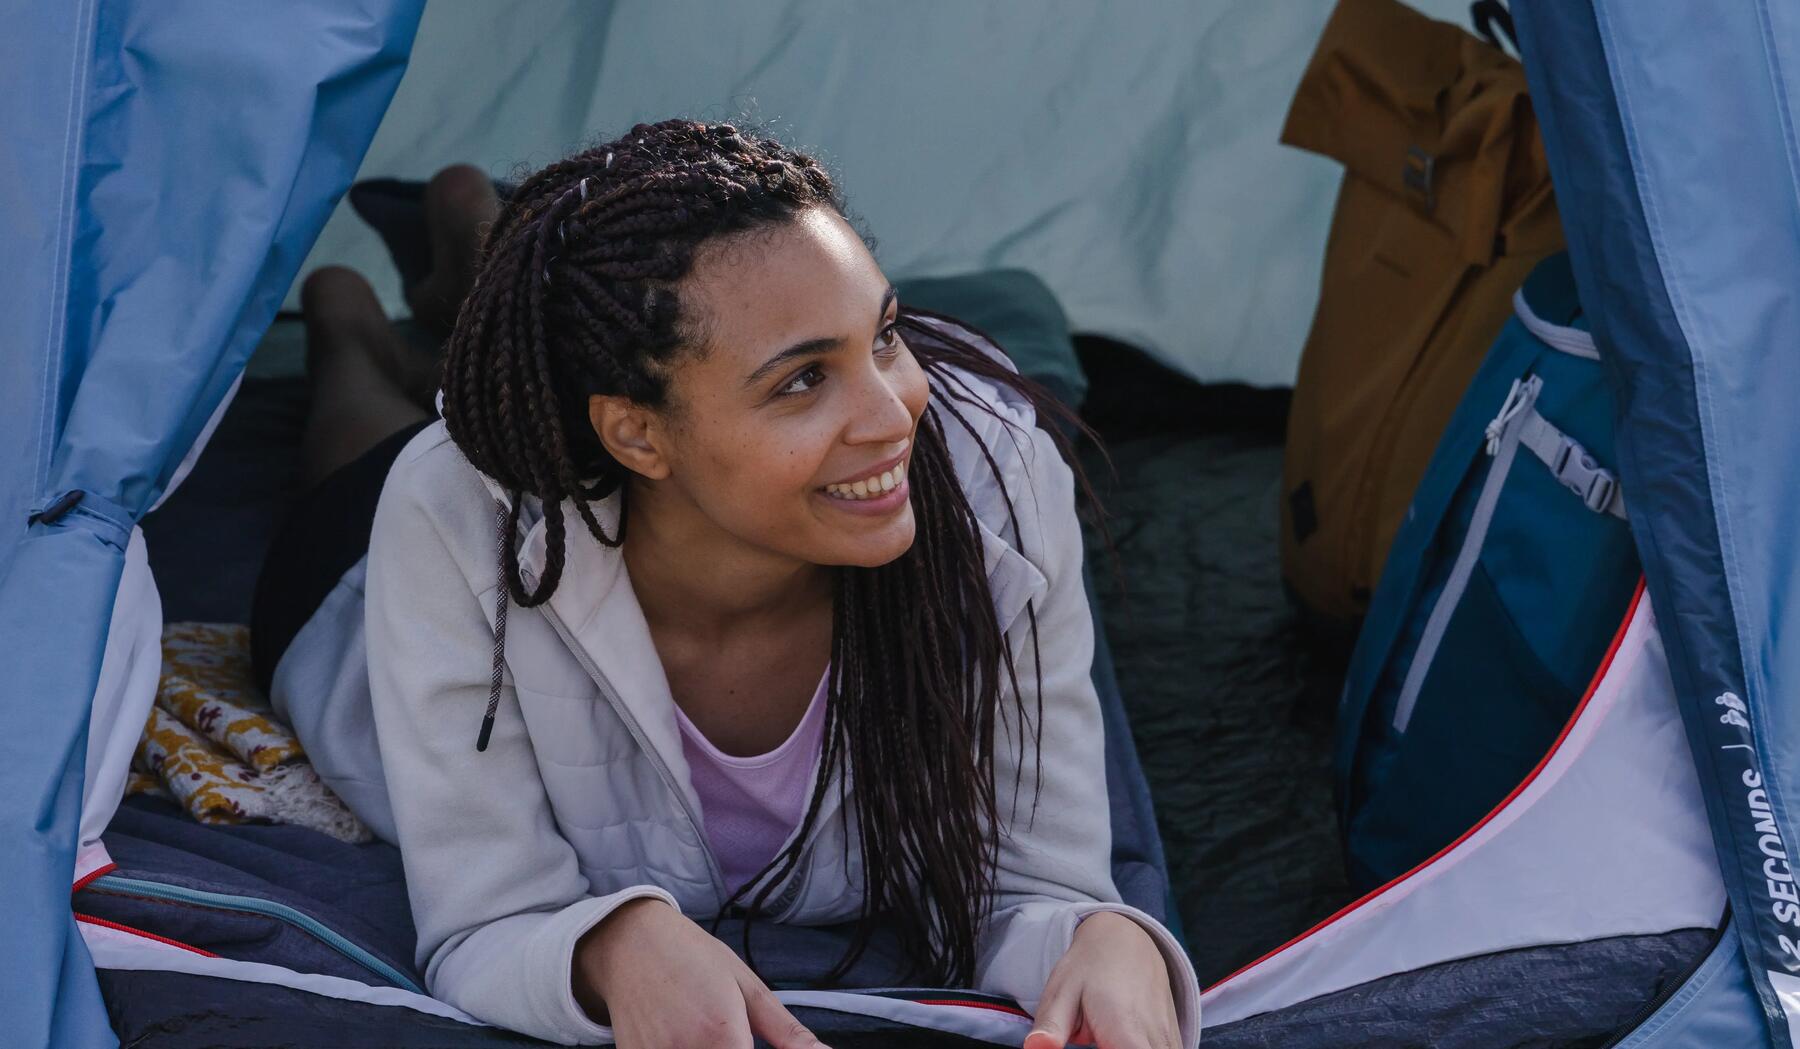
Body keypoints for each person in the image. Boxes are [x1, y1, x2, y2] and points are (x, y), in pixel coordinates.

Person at [255, 120, 1199, 1049]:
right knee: (372, 441)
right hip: (351, 580)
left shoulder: (993, 475)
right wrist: (611, 946)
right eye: (800, 382)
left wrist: (1101, 938)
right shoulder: (458, 512)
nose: (891, 415)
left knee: (568, 354)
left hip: (609, 422)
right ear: (634, 435)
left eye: (884, 336)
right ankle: (350, 322)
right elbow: (486, 915)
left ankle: (469, 245)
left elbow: (1041, 882)